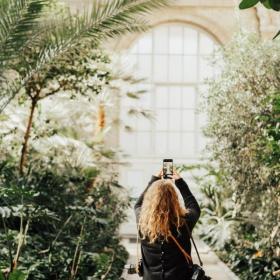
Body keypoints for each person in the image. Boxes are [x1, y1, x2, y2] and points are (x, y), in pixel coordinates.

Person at [134, 168, 201, 280]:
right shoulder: (184, 222)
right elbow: (194, 207)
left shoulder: (142, 221)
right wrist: (180, 182)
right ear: (174, 199)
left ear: (150, 199)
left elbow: (137, 204)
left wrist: (153, 180)